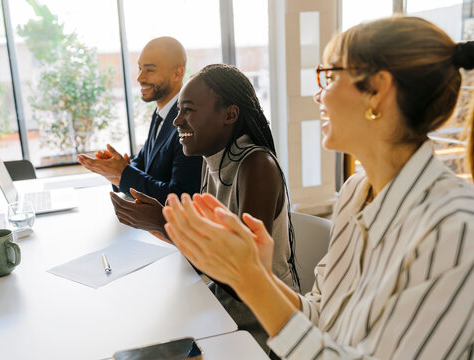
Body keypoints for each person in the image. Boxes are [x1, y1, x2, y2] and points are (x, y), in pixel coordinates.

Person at [163, 16, 474, 359]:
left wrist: (249, 277)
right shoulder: (357, 192)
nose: (317, 95)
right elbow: (322, 313)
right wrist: (252, 274)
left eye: (328, 76)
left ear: (377, 91)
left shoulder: (456, 229)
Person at [110, 64, 298, 350]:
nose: (177, 122)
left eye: (188, 110)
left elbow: (242, 281)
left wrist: (165, 225)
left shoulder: (256, 166)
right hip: (222, 312)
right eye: (178, 111)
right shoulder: (212, 159)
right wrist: (164, 221)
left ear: (229, 115)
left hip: (262, 329)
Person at [77, 37, 202, 205]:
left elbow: (179, 197)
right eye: (140, 68)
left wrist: (123, 173)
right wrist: (115, 169)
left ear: (177, 73)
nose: (140, 78)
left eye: (149, 70)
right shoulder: (160, 115)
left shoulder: (188, 124)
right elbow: (142, 165)